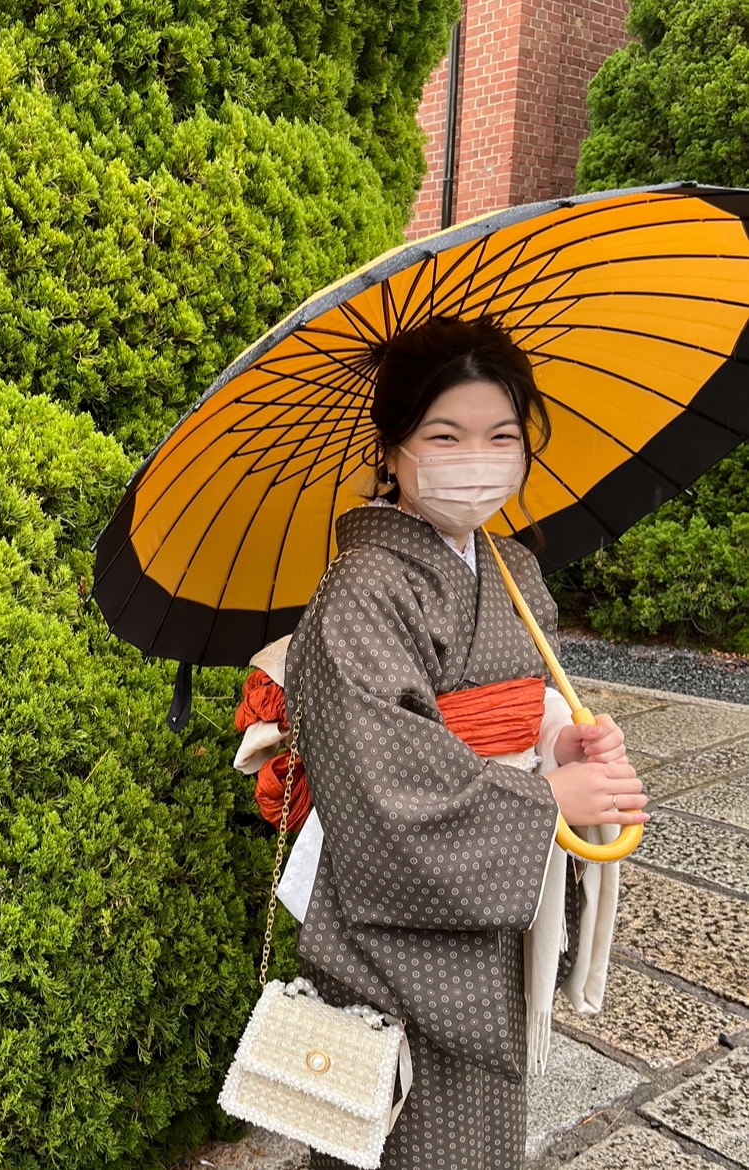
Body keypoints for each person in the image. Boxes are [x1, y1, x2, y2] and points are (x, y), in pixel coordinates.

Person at [276, 315, 650, 1170]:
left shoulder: (510, 567)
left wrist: (563, 744)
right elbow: (380, 781)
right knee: (402, 1124)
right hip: (401, 914)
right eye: (446, 434)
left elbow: (526, 704)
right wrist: (548, 801)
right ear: (394, 443)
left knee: (482, 1120)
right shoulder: (362, 589)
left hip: (493, 892)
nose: (476, 457)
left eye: (501, 436)